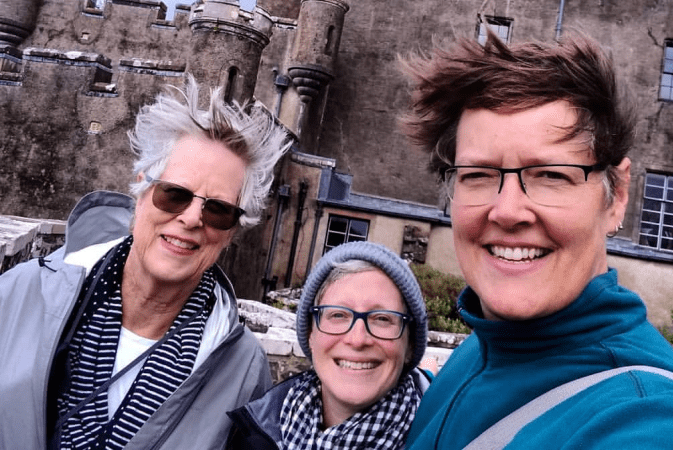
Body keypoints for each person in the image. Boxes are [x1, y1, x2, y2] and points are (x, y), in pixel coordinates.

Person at [399, 32, 673, 449]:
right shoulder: (481, 350)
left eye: (550, 175)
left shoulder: (657, 425)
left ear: (616, 196)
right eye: (477, 175)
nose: (507, 211)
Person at [0, 78, 290, 450]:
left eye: (218, 209)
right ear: (141, 192)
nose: (191, 218)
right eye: (175, 194)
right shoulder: (22, 294)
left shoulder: (244, 369)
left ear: (231, 231)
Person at [226, 241, 431, 450]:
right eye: (338, 315)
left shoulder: (442, 439)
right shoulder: (251, 437)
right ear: (310, 334)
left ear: (410, 344)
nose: (357, 339)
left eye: (382, 319)